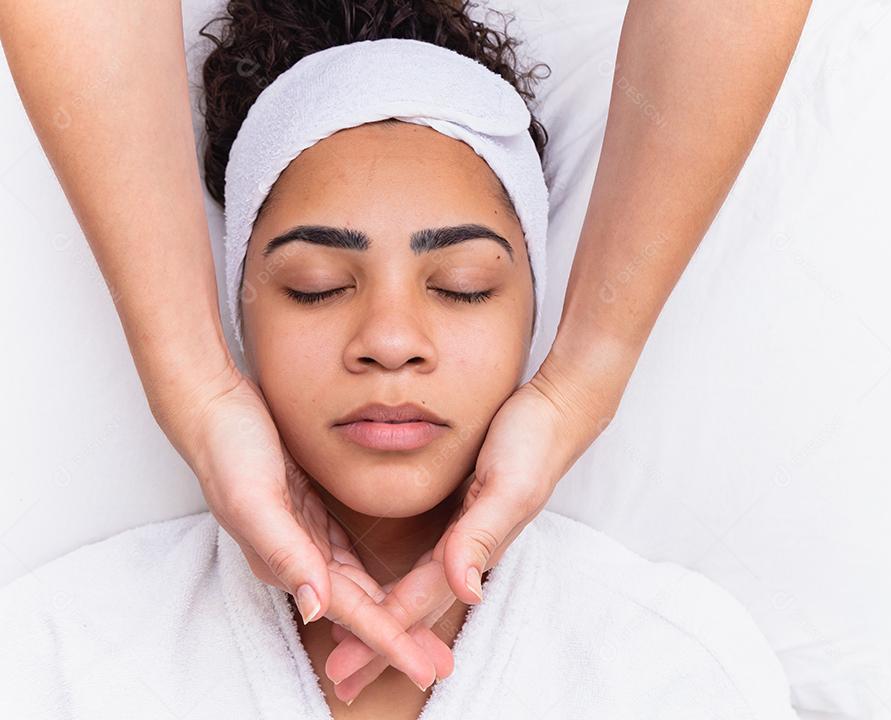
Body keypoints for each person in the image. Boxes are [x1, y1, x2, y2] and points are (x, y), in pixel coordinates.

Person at [0, 0, 811, 695]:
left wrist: (583, 382)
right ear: (239, 313)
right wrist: (196, 389)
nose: (390, 342)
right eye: (315, 285)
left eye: (462, 284)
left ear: (534, 314)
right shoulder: (62, 658)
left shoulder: (674, 671)